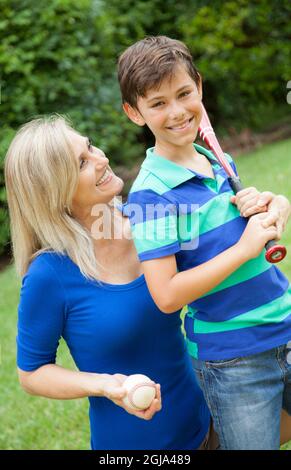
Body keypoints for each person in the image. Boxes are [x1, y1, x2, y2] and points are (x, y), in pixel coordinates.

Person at [117, 35, 291, 450]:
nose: (176, 112)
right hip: (234, 359)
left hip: (285, 325)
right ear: (134, 113)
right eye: (158, 103)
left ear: (199, 85)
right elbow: (166, 295)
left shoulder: (216, 159)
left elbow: (236, 231)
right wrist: (244, 249)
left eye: (184, 94)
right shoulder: (148, 197)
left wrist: (271, 205)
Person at [5, 115, 216, 450]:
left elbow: (218, 251)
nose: (101, 159)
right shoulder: (49, 274)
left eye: (90, 146)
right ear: (55, 191)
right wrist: (107, 386)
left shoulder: (146, 220)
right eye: (82, 163)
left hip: (206, 425)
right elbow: (31, 374)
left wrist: (263, 206)